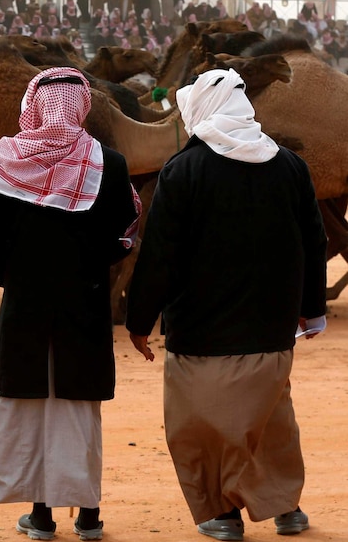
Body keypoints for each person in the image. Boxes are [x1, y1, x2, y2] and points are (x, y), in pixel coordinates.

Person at [125, 68, 327, 541]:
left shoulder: (183, 170)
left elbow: (160, 254)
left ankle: (222, 513)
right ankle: (285, 506)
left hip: (201, 331)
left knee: (202, 425)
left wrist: (139, 319)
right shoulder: (290, 166)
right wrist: (310, 306)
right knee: (270, 418)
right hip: (270, 326)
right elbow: (313, 241)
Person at [0, 67, 142, 542]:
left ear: (35, 105)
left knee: (30, 405)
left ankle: (40, 516)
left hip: (26, 304)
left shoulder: (7, 159)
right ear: (82, 106)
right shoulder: (109, 162)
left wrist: (12, 275)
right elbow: (125, 232)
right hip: (83, 305)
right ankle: (88, 516)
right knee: (77, 408)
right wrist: (92, 268)